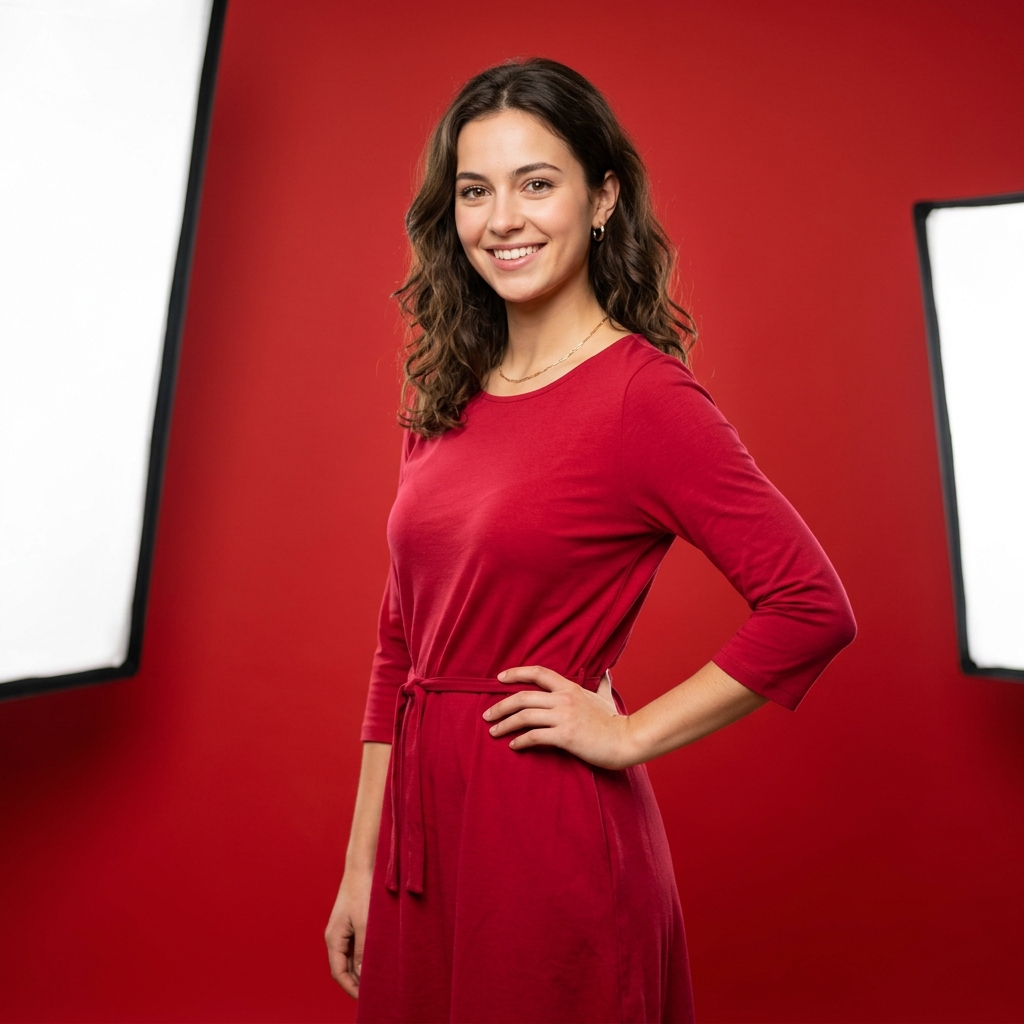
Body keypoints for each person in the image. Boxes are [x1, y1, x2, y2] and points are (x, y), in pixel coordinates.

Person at [324, 57, 856, 1024]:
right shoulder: (446, 394)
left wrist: (629, 734)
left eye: (536, 184)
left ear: (602, 197)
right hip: (420, 838)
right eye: (475, 191)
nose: (502, 219)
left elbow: (810, 606)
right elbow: (400, 643)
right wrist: (362, 863)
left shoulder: (641, 398)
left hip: (544, 830)